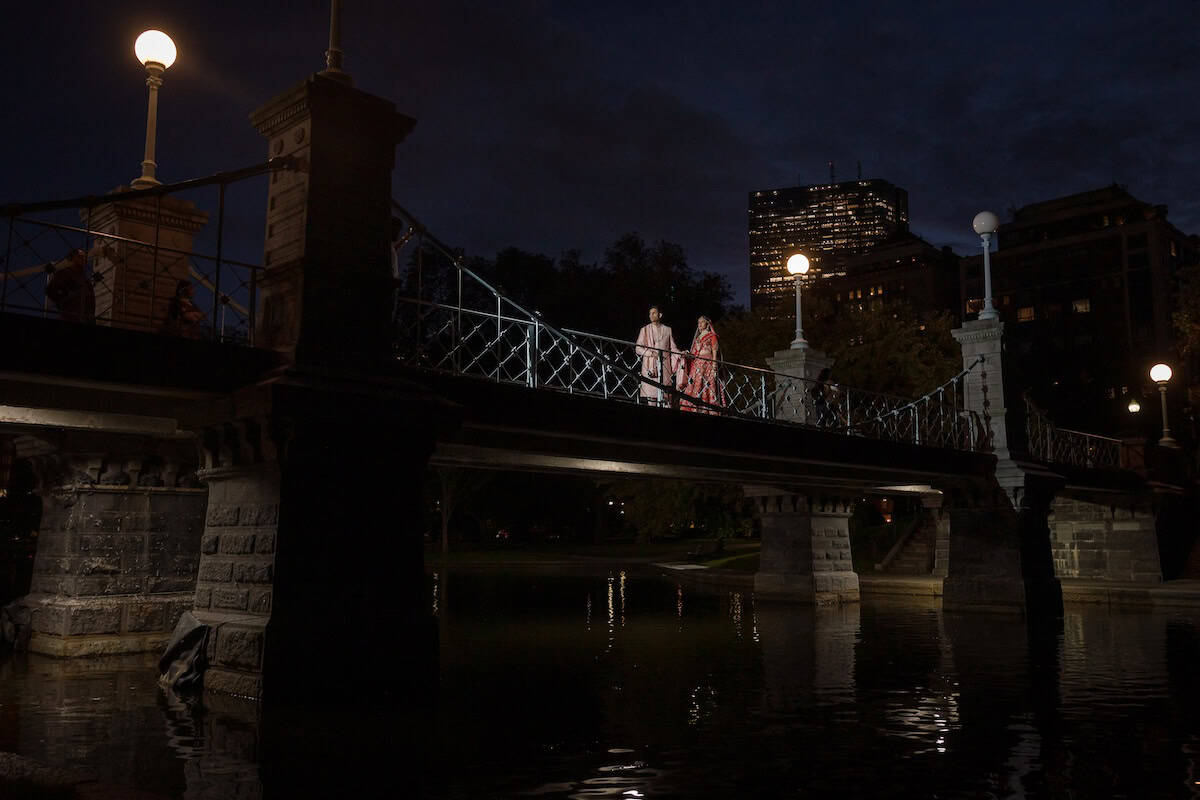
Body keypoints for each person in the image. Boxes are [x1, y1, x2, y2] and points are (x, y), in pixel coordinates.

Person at [634, 305, 681, 406]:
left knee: (666, 398)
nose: (651, 315)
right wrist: (650, 353)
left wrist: (681, 354)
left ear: (660, 315)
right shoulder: (645, 329)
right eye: (650, 313)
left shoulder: (668, 329)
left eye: (654, 313)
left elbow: (673, 348)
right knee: (652, 398)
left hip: (665, 366)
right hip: (650, 367)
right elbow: (638, 348)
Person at [679, 315, 724, 414]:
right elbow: (694, 353)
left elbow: (714, 352)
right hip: (697, 365)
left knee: (707, 386)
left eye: (702, 322)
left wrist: (714, 367)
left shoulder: (712, 336)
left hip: (707, 365)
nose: (699, 324)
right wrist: (687, 354)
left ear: (707, 324)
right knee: (695, 385)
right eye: (698, 322)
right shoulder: (698, 338)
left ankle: (706, 408)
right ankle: (694, 407)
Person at [44, 248, 95, 323]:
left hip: (85, 317)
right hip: (71, 316)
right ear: (72, 258)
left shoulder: (85, 279)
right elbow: (50, 290)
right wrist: (66, 298)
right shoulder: (65, 273)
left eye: (84, 257)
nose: (83, 259)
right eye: (80, 256)